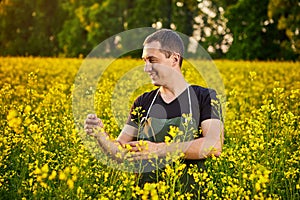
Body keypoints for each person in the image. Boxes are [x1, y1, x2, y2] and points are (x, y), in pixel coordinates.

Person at [84, 29, 224, 197]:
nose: (146, 68)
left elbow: (213, 145)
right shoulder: (143, 102)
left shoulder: (204, 97)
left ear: (174, 59)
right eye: (144, 61)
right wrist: (101, 136)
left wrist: (159, 149)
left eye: (152, 60)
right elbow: (120, 152)